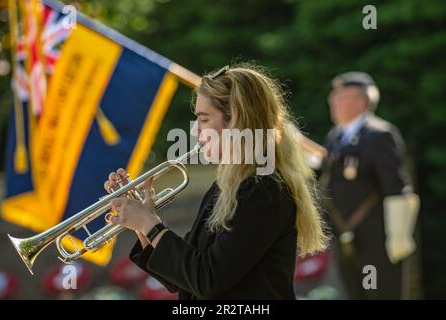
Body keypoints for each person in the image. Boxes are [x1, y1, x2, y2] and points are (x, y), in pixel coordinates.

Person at [103, 64, 329, 300]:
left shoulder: (262, 189)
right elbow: (181, 276)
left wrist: (149, 223)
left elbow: (208, 279)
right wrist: (143, 224)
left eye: (204, 119)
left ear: (236, 121)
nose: (195, 132)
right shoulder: (227, 186)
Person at [320, 71, 419, 299]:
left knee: (381, 294)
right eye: (334, 96)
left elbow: (397, 188)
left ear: (361, 101)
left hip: (377, 239)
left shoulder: (380, 134)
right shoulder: (335, 136)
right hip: (346, 237)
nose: (333, 101)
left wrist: (398, 238)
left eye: (341, 96)